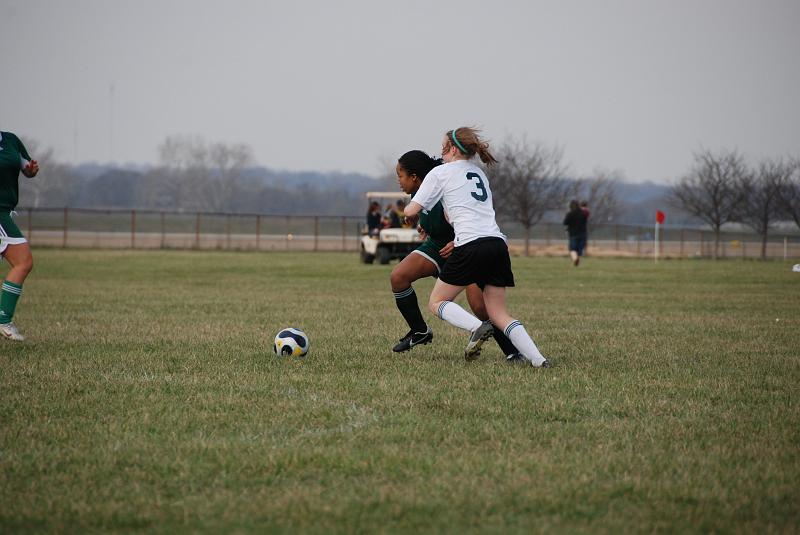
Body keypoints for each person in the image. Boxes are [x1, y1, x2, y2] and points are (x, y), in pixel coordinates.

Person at [404, 127, 550, 368]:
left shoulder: (440, 173)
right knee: (499, 314)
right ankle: (539, 360)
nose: (440, 151)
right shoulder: (479, 173)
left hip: (471, 245)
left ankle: (476, 327)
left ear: (451, 149)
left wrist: (408, 216)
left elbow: (411, 209)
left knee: (437, 302)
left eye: (443, 146)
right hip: (497, 244)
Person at [390, 150, 522, 361]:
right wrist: (422, 225)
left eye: (400, 175)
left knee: (481, 307)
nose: (398, 180)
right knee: (398, 277)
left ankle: (513, 352)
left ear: (414, 177)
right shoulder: (418, 193)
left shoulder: (442, 185)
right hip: (436, 247)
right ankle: (420, 331)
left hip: (464, 248)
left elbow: (469, 218)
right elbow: (429, 218)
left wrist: (456, 240)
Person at [0, 130, 39, 341]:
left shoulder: (11, 140)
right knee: (23, 261)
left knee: (23, 262)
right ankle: (4, 320)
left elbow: (27, 168)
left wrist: (31, 170)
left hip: (5, 211)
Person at [563, 199, 588, 266]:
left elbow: (565, 222)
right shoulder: (583, 213)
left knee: (572, 249)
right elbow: (586, 219)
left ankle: (575, 259)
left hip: (573, 234)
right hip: (583, 233)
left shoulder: (570, 214)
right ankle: (577, 261)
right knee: (579, 250)